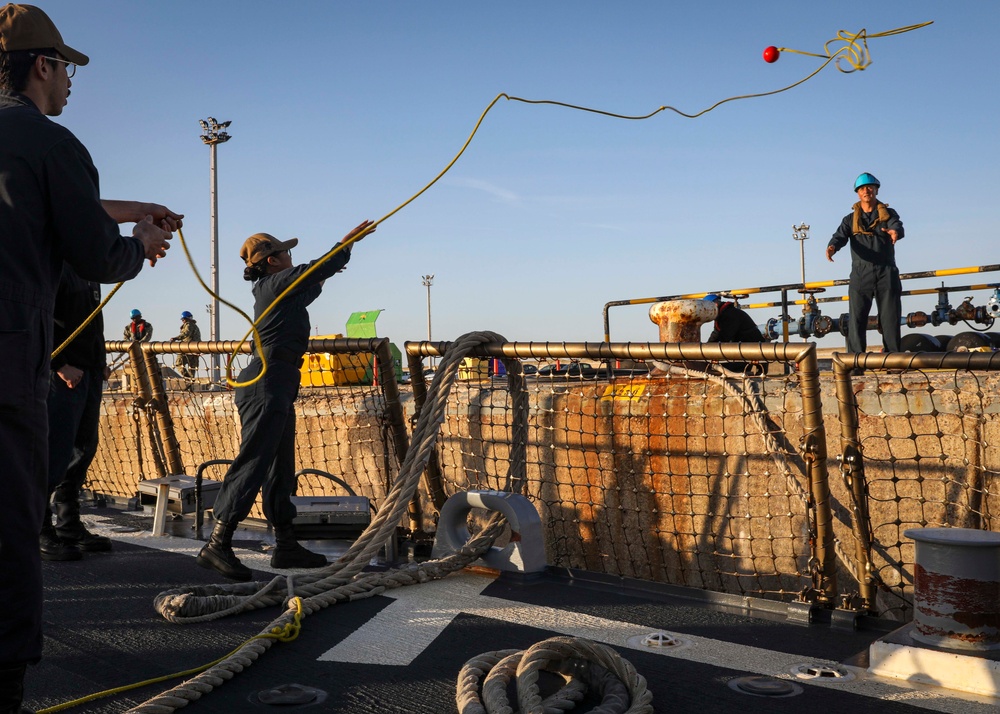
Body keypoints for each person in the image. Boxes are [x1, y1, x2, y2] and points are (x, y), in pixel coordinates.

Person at [0, 4, 179, 709]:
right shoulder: (52, 142)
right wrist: (142, 245)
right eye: (68, 67)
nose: (72, 82)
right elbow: (92, 251)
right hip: (9, 370)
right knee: (12, 531)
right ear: (44, 65)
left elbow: (39, 207)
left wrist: (135, 210)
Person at [197, 222, 373, 581]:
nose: (292, 257)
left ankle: (286, 543)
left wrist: (333, 265)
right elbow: (311, 271)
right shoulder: (276, 284)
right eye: (287, 253)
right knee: (255, 461)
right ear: (274, 260)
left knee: (280, 468)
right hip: (267, 381)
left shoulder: (279, 289)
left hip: (279, 380)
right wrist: (345, 245)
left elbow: (312, 281)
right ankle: (218, 542)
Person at [42, 265, 112, 562]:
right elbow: (40, 319)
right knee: (54, 451)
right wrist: (59, 364)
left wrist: (100, 360)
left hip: (90, 370)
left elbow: (92, 323)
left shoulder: (88, 270)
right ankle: (40, 527)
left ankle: (68, 523)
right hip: (64, 373)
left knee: (84, 448)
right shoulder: (55, 268)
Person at [826, 172, 905, 354]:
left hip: (887, 272)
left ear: (876, 190)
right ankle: (856, 362)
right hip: (861, 273)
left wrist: (895, 233)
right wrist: (832, 247)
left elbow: (897, 225)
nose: (866, 191)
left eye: (870, 187)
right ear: (857, 193)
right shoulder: (849, 219)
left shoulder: (888, 214)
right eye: (862, 188)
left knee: (890, 318)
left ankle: (893, 360)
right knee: (857, 319)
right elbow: (839, 236)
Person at [702, 294, 765, 373]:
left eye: (707, 309)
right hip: (745, 348)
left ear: (715, 304)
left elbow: (725, 337)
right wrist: (706, 347)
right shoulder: (722, 314)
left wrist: (708, 352)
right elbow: (716, 333)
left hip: (750, 350)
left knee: (723, 368)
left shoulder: (729, 314)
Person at [170, 310, 201, 378]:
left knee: (179, 363)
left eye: (184, 319)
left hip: (187, 348)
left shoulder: (189, 325)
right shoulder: (194, 326)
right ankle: (190, 382)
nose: (183, 321)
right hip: (195, 349)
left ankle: (187, 378)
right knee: (192, 368)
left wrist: (176, 338)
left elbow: (186, 333)